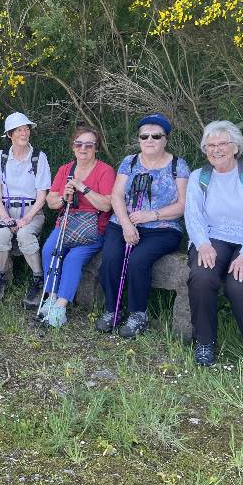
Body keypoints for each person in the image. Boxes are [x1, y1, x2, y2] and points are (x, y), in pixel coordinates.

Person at [185, 120, 243, 378]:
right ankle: (204, 342)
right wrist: (202, 244)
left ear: (236, 146)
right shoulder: (198, 177)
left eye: (222, 143)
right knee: (202, 276)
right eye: (210, 145)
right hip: (212, 236)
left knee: (240, 284)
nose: (216, 149)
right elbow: (193, 216)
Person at [96, 113, 190, 338]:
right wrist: (127, 224)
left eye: (156, 136)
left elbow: (183, 205)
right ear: (138, 139)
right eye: (144, 136)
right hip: (123, 222)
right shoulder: (129, 162)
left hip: (162, 227)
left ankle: (138, 313)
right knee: (110, 257)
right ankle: (112, 309)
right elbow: (117, 196)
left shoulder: (178, 165)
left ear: (165, 139)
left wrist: (152, 215)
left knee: (138, 260)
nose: (150, 140)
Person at [37, 126, 116, 325]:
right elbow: (51, 201)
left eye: (89, 145)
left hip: (93, 228)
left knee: (73, 258)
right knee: (49, 250)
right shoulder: (65, 170)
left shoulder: (105, 171)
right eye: (79, 144)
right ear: (73, 147)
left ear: (96, 148)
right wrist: (64, 197)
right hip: (66, 224)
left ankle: (60, 308)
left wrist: (83, 188)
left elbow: (107, 205)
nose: (83, 149)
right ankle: (52, 296)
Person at [0, 112, 51, 306]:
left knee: (24, 235)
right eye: (19, 130)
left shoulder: (39, 157)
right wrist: (6, 218)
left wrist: (26, 218)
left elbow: (42, 195)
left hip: (32, 210)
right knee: (1, 235)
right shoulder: (0, 157)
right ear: (9, 135)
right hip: (4, 208)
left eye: (26, 129)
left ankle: (38, 280)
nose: (24, 133)